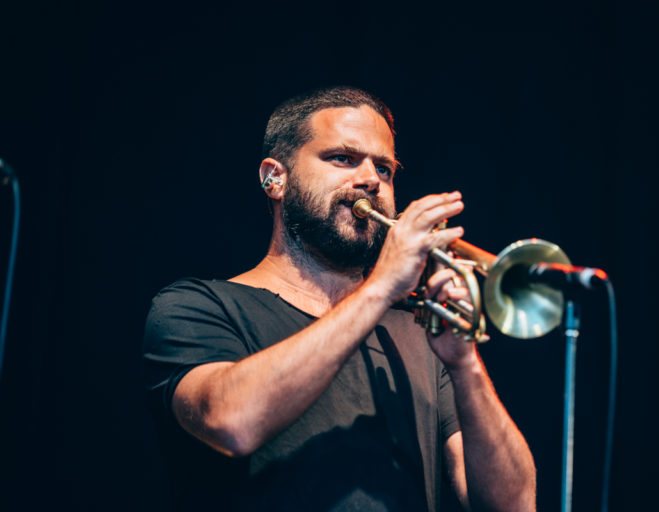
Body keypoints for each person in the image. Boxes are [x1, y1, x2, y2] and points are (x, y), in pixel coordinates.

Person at [143, 86, 536, 512]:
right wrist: (382, 286)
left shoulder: (419, 333)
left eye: (384, 169)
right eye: (343, 158)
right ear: (274, 178)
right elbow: (231, 423)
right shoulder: (198, 307)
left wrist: (465, 364)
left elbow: (515, 505)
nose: (371, 180)